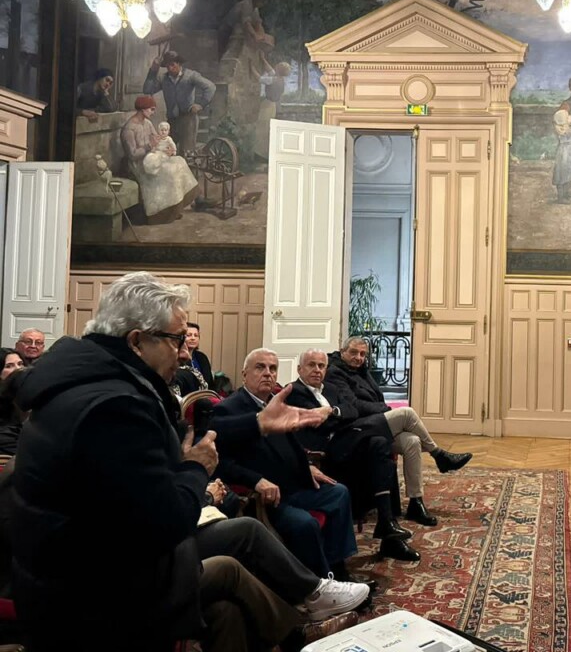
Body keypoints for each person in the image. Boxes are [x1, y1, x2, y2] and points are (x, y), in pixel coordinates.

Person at [10, 271, 359, 651]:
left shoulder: (88, 379)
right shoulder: (114, 406)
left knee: (227, 608)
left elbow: (179, 450)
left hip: (94, 563)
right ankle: (303, 622)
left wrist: (257, 423)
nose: (185, 352)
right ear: (137, 340)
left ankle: (301, 621)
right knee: (230, 575)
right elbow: (168, 523)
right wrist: (196, 470)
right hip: (91, 595)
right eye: (176, 339)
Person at [214, 348, 367, 578]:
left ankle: (337, 567)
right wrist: (257, 480)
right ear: (244, 374)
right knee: (306, 524)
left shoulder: (276, 403)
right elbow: (221, 463)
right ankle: (319, 580)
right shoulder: (228, 409)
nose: (268, 373)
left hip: (295, 484)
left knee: (339, 492)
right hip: (268, 498)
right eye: (260, 367)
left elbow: (293, 444)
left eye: (273, 368)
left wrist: (307, 465)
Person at [288, 349, 420, 561]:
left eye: (321, 366)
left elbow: (352, 410)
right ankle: (388, 526)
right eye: (311, 365)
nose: (317, 370)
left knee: (379, 443)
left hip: (347, 442)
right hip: (324, 450)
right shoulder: (293, 392)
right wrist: (338, 416)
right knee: (380, 430)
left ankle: (387, 525)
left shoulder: (331, 389)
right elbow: (318, 423)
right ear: (299, 369)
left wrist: (331, 411)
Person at [327, 336, 473, 526]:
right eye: (354, 353)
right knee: (407, 413)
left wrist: (381, 409)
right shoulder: (335, 372)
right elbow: (353, 405)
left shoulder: (361, 370)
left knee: (412, 441)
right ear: (342, 351)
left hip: (372, 424)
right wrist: (384, 410)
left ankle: (416, 502)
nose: (359, 358)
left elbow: (377, 398)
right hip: (353, 428)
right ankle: (439, 455)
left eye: (363, 354)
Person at [120, 95, 199, 224]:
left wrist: (168, 149)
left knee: (180, 162)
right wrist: (149, 146)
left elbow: (158, 140)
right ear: (143, 109)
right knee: (170, 171)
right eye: (151, 109)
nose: (153, 112)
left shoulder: (148, 123)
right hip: (139, 164)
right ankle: (161, 214)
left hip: (154, 157)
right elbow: (132, 154)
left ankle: (174, 209)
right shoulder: (129, 129)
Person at [143, 50, 217, 154]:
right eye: (167, 66)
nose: (170, 68)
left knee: (186, 153)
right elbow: (147, 89)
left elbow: (211, 87)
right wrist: (153, 70)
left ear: (179, 63)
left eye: (172, 65)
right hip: (172, 121)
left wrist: (201, 104)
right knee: (167, 151)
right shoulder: (163, 79)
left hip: (188, 120)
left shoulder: (191, 76)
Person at [551, 109, 571, 204]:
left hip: (570, 152)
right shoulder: (566, 130)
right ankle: (561, 197)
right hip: (565, 154)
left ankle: (566, 193)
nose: (570, 116)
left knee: (569, 173)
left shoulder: (567, 128)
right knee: (563, 174)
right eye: (568, 116)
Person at [185, 321, 215, 386]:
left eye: (196, 335)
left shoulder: (202, 357)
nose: (193, 338)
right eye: (189, 335)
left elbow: (210, 383)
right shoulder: (176, 358)